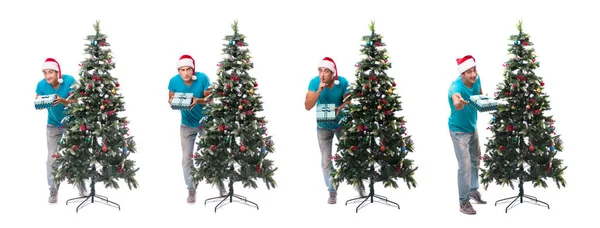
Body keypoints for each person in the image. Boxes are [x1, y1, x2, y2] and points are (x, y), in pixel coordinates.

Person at [304, 57, 364, 204]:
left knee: (351, 155)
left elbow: (349, 100)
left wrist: (340, 108)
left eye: (326, 71)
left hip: (342, 124)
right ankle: (332, 191)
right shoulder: (314, 82)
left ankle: (358, 184)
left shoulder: (342, 82)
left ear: (333, 73)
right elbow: (307, 105)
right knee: (326, 160)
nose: (322, 74)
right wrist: (319, 89)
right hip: (323, 126)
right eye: (320, 71)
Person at [168, 54, 225, 203]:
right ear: (178, 71)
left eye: (188, 69)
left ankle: (220, 184)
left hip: (206, 122)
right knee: (186, 160)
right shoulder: (173, 81)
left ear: (193, 69)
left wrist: (197, 100)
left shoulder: (202, 78)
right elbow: (171, 98)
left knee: (213, 154)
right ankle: (191, 189)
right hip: (186, 125)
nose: (186, 73)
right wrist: (172, 101)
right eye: (182, 70)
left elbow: (210, 98)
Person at [35, 58, 86, 203]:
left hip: (72, 124)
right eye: (45, 73)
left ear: (58, 72)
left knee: (76, 155)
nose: (47, 76)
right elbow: (38, 98)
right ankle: (53, 190)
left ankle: (81, 184)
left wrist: (64, 101)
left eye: (50, 72)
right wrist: (41, 100)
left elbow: (79, 100)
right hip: (53, 125)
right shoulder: (42, 84)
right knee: (52, 158)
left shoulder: (69, 80)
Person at [448, 55, 488, 215]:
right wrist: (460, 102)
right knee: (464, 167)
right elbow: (456, 102)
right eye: (469, 72)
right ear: (462, 74)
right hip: (458, 131)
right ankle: (463, 202)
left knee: (475, 160)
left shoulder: (476, 80)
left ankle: (473, 190)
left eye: (474, 70)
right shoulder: (455, 87)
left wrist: (484, 99)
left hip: (472, 127)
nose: (473, 74)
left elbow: (479, 94)